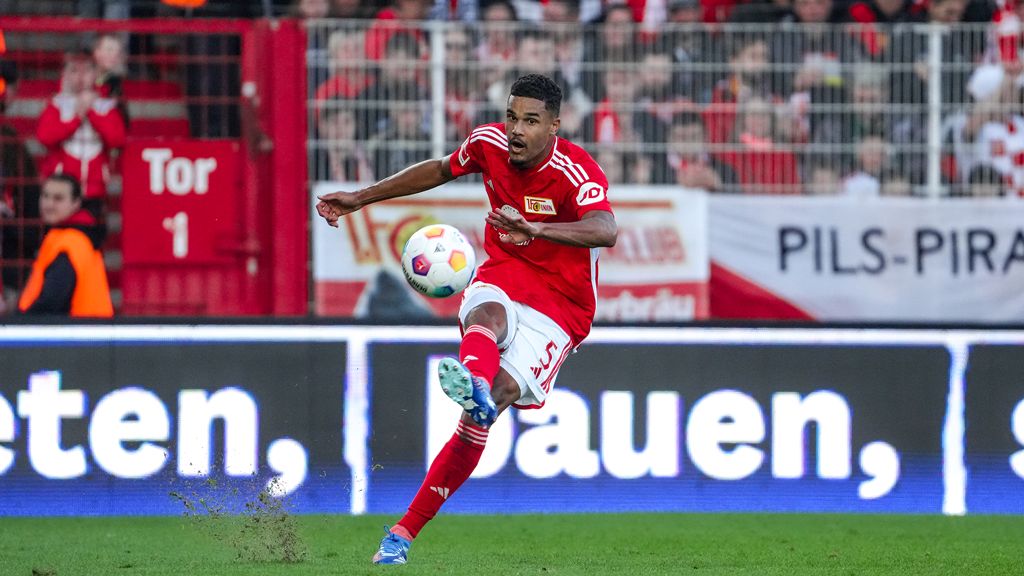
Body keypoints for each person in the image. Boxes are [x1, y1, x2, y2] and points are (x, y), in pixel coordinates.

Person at [316, 73, 617, 565]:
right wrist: (361, 198)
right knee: (487, 314)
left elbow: (605, 230)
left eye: (530, 121)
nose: (516, 130)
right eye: (512, 116)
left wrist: (536, 226)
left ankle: (406, 527)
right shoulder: (488, 143)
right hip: (506, 269)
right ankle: (472, 382)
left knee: (488, 408)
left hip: (562, 305)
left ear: (554, 127)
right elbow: (438, 169)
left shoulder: (576, 171)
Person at [36, 52, 127, 218]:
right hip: (61, 191)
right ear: (65, 75)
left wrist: (91, 112)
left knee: (92, 235)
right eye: (74, 71)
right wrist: (76, 118)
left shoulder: (106, 106)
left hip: (94, 189)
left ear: (94, 74)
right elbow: (45, 137)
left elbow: (117, 139)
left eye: (85, 71)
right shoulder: (56, 104)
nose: (80, 77)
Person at [17, 174, 113, 317]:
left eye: (58, 198)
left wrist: (19, 322)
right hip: (88, 332)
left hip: (75, 334)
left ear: (76, 203)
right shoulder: (79, 236)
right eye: (45, 196)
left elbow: (51, 302)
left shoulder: (69, 242)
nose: (49, 204)